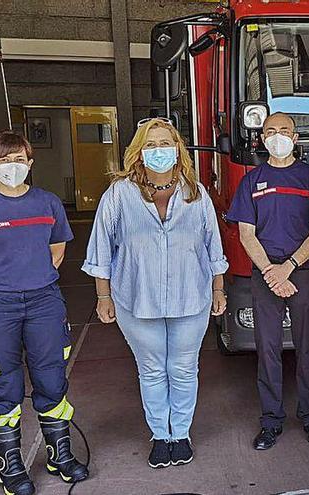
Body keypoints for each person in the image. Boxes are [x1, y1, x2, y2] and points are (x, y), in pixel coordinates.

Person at [82, 118, 228, 468]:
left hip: (191, 297)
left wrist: (219, 287)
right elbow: (101, 247)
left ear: (178, 149)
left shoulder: (196, 192)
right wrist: (103, 296)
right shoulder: (119, 193)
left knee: (183, 368)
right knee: (150, 370)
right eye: (151, 144)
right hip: (136, 298)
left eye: (166, 142)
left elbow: (213, 243)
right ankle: (159, 436)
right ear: (138, 152)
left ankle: (181, 434)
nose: (159, 150)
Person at [225, 112, 309, 450]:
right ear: (261, 138)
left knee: (308, 348)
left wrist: (290, 266)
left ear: (296, 138)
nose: (278, 136)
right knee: (267, 350)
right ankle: (270, 421)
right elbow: (246, 233)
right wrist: (273, 272)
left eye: (285, 131)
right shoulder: (252, 180)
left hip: (303, 273)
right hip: (266, 273)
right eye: (271, 131)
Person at [0, 131, 88, 495]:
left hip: (43, 302)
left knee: (51, 378)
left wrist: (31, 279)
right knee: (5, 384)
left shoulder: (47, 203)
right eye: (4, 160)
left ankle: (59, 455)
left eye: (18, 160)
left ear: (30, 164)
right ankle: (10, 465)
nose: (11, 167)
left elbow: (57, 251)